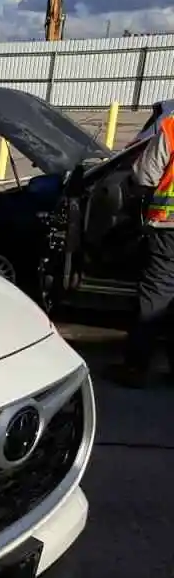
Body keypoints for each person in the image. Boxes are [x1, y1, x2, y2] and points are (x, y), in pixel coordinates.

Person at [111, 110, 174, 387]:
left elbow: (144, 176)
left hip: (169, 228)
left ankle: (136, 368)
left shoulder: (172, 126)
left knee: (157, 297)